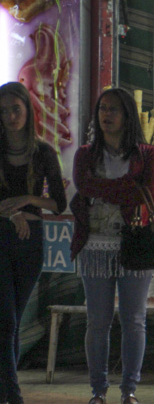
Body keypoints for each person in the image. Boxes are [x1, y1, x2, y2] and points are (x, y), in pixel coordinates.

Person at [70, 89, 154, 404]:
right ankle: (98, 391)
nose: (106, 115)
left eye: (113, 109)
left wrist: (108, 190)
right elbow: (84, 186)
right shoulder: (85, 154)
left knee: (134, 319)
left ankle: (129, 391)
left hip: (134, 245)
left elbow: (145, 193)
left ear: (127, 116)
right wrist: (124, 188)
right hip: (93, 245)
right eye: (102, 109)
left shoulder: (148, 154)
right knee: (98, 320)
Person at [0, 82, 67, 404]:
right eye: (3, 111)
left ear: (27, 109)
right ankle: (13, 394)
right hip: (2, 234)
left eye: (16, 108)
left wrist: (26, 200)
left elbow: (59, 202)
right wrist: (11, 214)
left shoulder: (43, 151)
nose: (10, 116)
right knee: (7, 321)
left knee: (10, 321)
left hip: (31, 240)